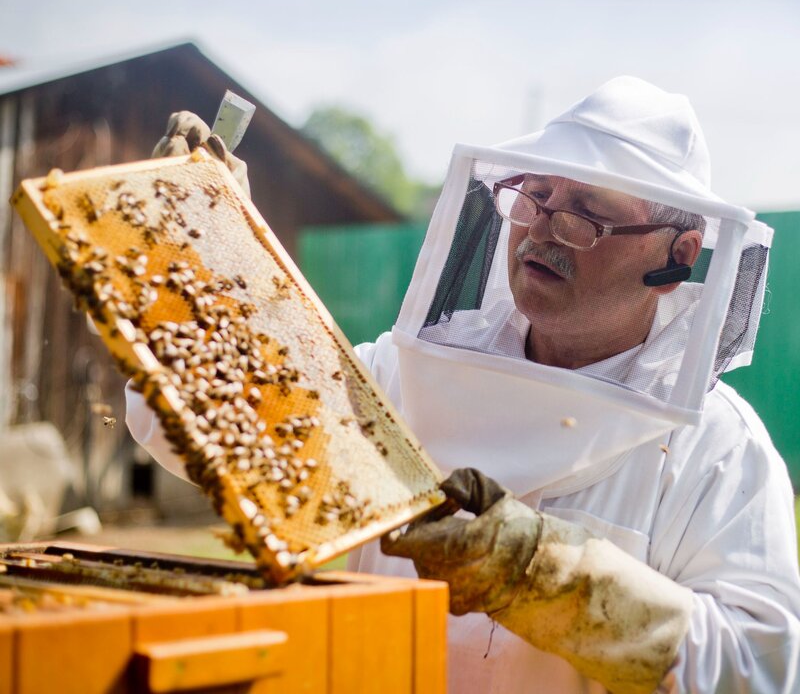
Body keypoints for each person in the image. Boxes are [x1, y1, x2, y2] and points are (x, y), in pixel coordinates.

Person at [127, 78, 800, 693]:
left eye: (585, 212)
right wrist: (205, 249)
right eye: (536, 194)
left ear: (677, 255)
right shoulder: (405, 370)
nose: (540, 228)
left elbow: (755, 669)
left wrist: (549, 578)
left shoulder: (716, 451)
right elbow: (208, 426)